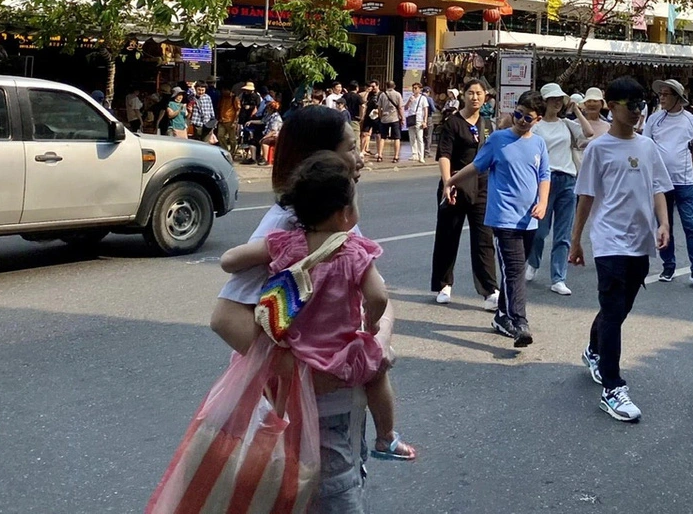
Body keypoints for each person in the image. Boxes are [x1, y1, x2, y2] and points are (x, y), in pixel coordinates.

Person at [210, 106, 405, 508]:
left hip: (338, 412)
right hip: (316, 417)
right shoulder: (288, 227)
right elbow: (225, 316)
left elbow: (374, 292)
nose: (361, 156)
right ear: (322, 158)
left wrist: (378, 340)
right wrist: (307, 375)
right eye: (351, 148)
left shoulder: (332, 217)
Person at [570, 76, 672, 423]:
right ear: (612, 107)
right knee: (613, 310)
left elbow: (658, 187)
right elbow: (586, 197)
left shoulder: (646, 146)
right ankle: (613, 388)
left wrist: (663, 223)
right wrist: (576, 241)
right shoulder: (598, 149)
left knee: (620, 309)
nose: (638, 112)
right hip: (609, 240)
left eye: (642, 105)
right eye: (632, 105)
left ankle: (594, 350)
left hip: (640, 241)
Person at [447, 89, 550, 348]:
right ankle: (520, 322)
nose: (521, 120)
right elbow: (476, 165)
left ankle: (502, 315)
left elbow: (544, 175)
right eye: (518, 114)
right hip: (504, 218)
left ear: (538, 120)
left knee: (513, 271)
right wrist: (451, 181)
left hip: (529, 218)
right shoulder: (498, 139)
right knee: (515, 270)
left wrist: (543, 202)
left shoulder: (538, 144)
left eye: (527, 118)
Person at [432, 79, 499, 310]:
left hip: (482, 187)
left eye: (479, 93)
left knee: (483, 238)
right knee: (448, 237)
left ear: (485, 97)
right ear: (463, 95)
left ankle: (490, 289)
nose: (475, 97)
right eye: (471, 93)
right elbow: (444, 154)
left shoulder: (488, 124)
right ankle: (444, 285)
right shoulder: (453, 123)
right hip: (456, 185)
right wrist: (447, 183)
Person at [645, 79, 693, 288]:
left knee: (691, 225)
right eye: (661, 94)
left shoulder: (690, 121)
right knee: (665, 226)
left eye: (666, 94)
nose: (662, 98)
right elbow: (645, 148)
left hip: (684, 182)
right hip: (660, 183)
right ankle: (668, 266)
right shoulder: (654, 120)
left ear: (677, 98)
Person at [525, 83, 584, 296]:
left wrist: (576, 109)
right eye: (553, 99)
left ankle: (558, 278)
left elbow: (587, 133)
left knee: (563, 233)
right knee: (540, 231)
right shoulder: (537, 127)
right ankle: (533, 262)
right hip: (545, 181)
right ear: (545, 102)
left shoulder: (567, 124)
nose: (557, 102)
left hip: (568, 180)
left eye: (560, 99)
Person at [375, 81, 404, 164]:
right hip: (394, 118)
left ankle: (380, 155)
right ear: (394, 86)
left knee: (383, 137)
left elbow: (379, 107)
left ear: (386, 86)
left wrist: (381, 117)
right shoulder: (398, 94)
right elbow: (400, 107)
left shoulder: (382, 95)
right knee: (396, 138)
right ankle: (396, 156)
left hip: (384, 118)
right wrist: (402, 118)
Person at [404, 82, 429, 164]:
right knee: (412, 137)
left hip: (419, 119)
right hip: (411, 118)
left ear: (420, 89)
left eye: (415, 88)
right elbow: (406, 107)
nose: (414, 90)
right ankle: (414, 154)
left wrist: (425, 121)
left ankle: (421, 156)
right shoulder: (411, 97)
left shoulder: (423, 98)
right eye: (413, 88)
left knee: (420, 138)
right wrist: (409, 101)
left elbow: (425, 110)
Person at [258, 101, 283, 166]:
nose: (267, 109)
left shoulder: (276, 118)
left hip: (276, 136)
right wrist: (251, 121)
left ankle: (265, 159)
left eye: (268, 108)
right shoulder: (270, 116)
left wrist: (264, 137)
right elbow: (262, 121)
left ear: (271, 109)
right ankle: (261, 156)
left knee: (264, 141)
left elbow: (273, 131)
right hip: (270, 134)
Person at [359, 80, 380, 157]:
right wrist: (367, 92)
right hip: (368, 116)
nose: (372, 88)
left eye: (373, 86)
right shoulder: (369, 94)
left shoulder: (381, 94)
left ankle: (379, 151)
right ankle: (362, 150)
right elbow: (363, 102)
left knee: (378, 134)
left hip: (377, 117)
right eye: (371, 86)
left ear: (377, 86)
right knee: (364, 133)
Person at [217, 88, 239, 155]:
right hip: (222, 120)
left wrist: (235, 121)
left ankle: (232, 151)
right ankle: (225, 150)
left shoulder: (234, 98)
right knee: (220, 136)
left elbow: (237, 110)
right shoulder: (222, 98)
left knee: (232, 138)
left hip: (230, 120)